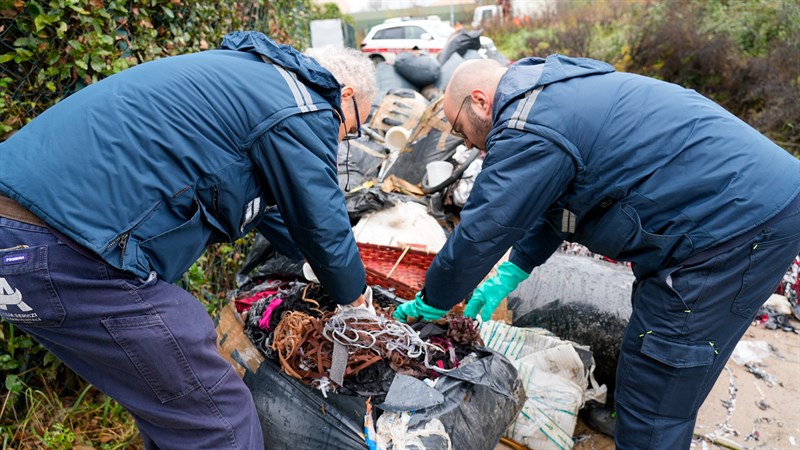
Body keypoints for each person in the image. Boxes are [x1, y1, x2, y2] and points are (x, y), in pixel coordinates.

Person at [394, 55, 800, 448]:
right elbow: (557, 204)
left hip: (735, 225)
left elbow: (481, 232)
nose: (466, 142)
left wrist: (432, 301)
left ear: (480, 100)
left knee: (661, 372)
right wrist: (514, 268)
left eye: (461, 127)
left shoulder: (526, 125)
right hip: (734, 211)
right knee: (651, 340)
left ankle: (648, 427)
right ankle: (639, 415)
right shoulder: (551, 95)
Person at [0, 31, 375, 449]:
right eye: (352, 129)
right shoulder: (301, 103)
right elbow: (322, 221)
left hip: (22, 240)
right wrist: (357, 301)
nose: (341, 140)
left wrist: (313, 267)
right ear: (345, 94)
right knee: (220, 416)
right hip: (60, 244)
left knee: (176, 410)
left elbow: (281, 215)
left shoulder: (252, 83)